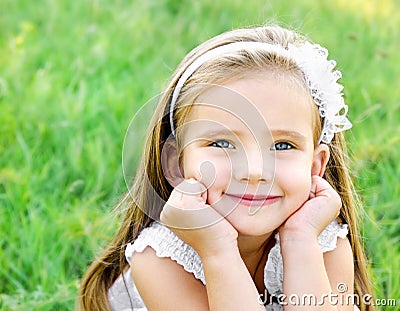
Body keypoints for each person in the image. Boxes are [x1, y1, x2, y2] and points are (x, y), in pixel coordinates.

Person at [79, 25, 374, 310]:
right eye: (222, 144)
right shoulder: (160, 258)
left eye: (282, 146)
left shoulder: (321, 240)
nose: (255, 171)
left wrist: (299, 242)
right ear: (177, 163)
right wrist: (217, 249)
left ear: (315, 166)